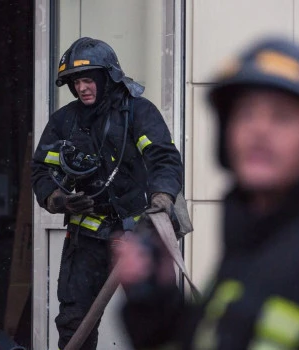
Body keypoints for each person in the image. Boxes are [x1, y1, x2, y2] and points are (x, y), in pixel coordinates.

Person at [117, 37, 299, 349]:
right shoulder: (258, 230)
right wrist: (154, 304)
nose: (258, 129)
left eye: (282, 117)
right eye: (246, 114)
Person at [31, 37, 184, 350]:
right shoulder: (65, 121)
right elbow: (41, 171)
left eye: (88, 80)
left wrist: (161, 200)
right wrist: (58, 199)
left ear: (108, 78)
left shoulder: (138, 113)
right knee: (75, 323)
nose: (82, 88)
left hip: (137, 235)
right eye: (76, 83)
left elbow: (163, 159)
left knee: (155, 323)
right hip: (86, 240)